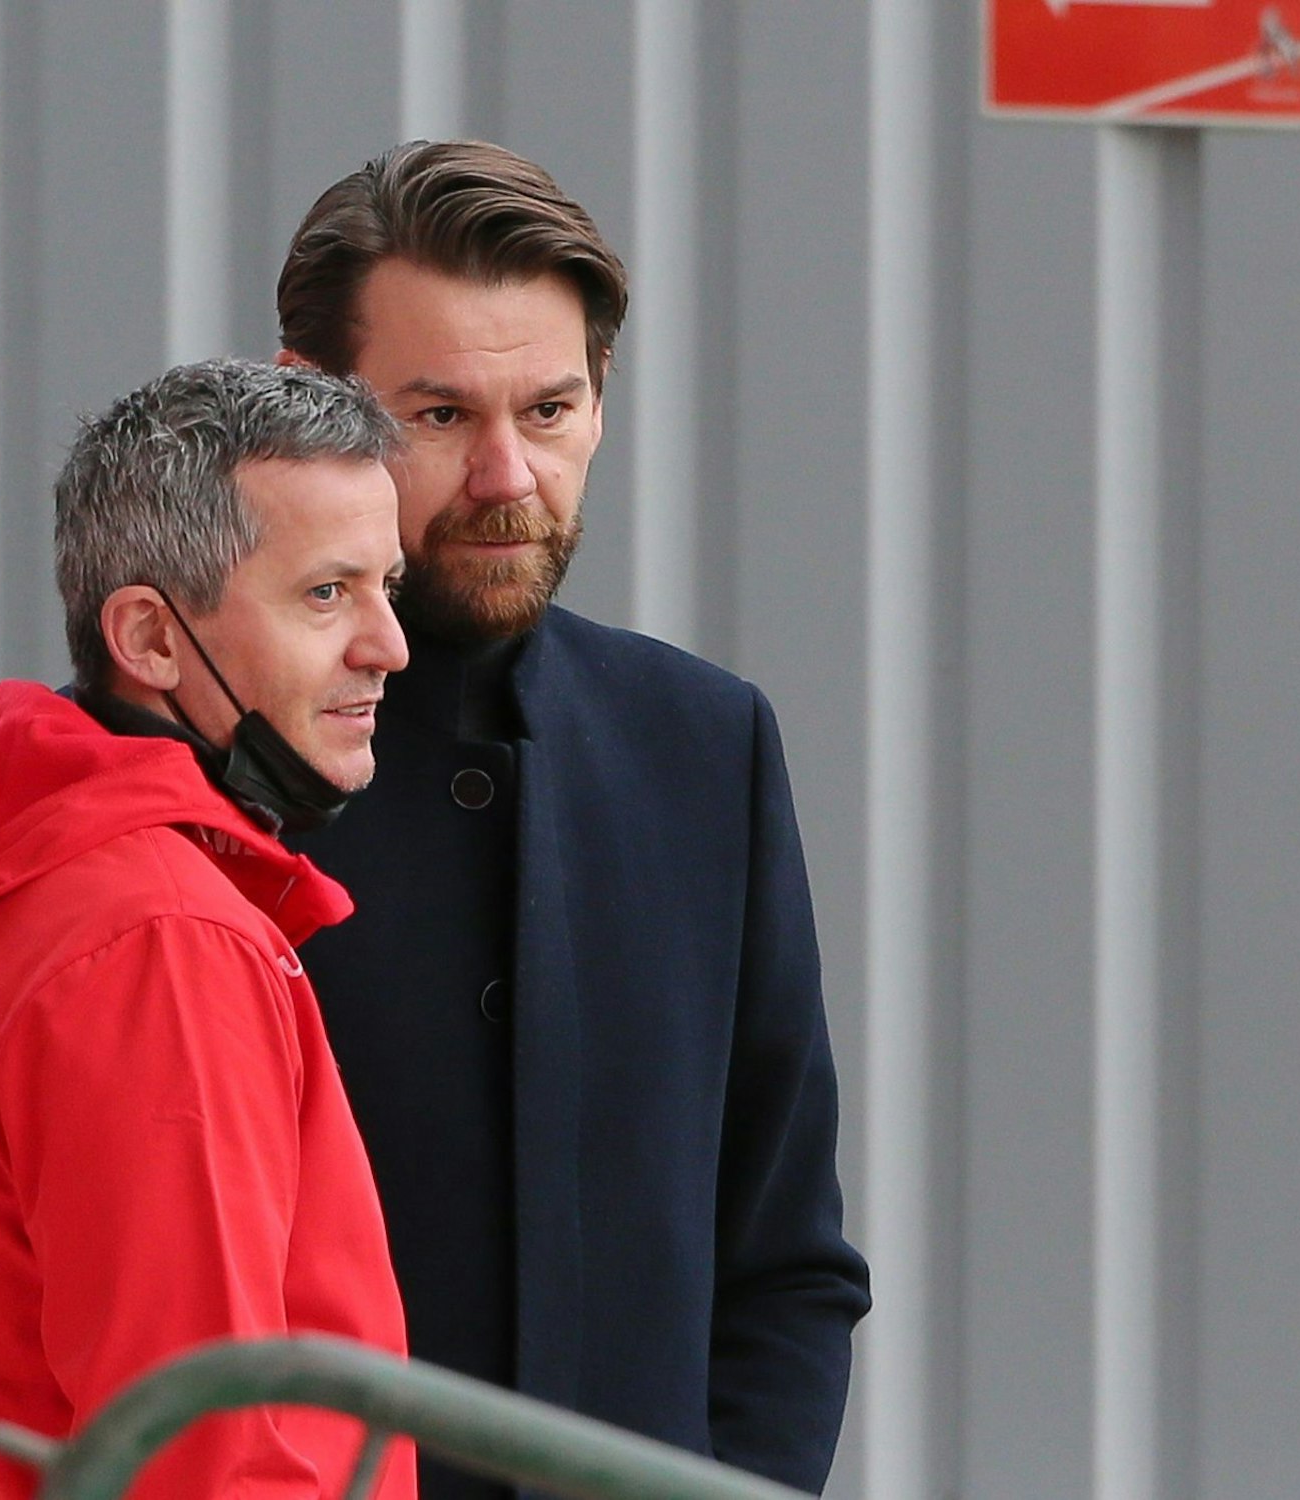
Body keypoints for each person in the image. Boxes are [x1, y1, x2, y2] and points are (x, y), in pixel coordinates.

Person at [276, 141, 873, 1496]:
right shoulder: (199, 773)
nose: (505, 477)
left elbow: (784, 1258)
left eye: (548, 409)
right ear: (312, 410)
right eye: (436, 417)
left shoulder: (704, 745)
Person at [0, 359, 416, 1500]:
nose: (388, 645)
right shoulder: (158, 941)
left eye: (386, 584)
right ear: (148, 638)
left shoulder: (24, 881)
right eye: (326, 594)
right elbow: (201, 1452)